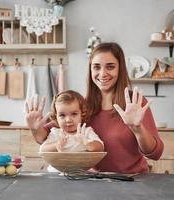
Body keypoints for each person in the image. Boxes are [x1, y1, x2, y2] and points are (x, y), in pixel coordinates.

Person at [25, 42, 164, 174]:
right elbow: (43, 137)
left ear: (120, 69)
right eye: (96, 67)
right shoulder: (81, 106)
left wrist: (138, 129)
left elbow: (156, 153)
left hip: (133, 180)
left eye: (110, 67)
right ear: (90, 69)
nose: (102, 73)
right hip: (94, 181)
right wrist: (35, 128)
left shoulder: (134, 103)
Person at [38, 90, 104, 152]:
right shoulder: (56, 133)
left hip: (82, 164)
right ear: (56, 117)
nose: (68, 120)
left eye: (74, 114)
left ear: (82, 114)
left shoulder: (86, 132)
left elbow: (100, 147)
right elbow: (42, 149)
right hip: (59, 164)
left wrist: (86, 142)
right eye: (62, 115)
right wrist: (56, 145)